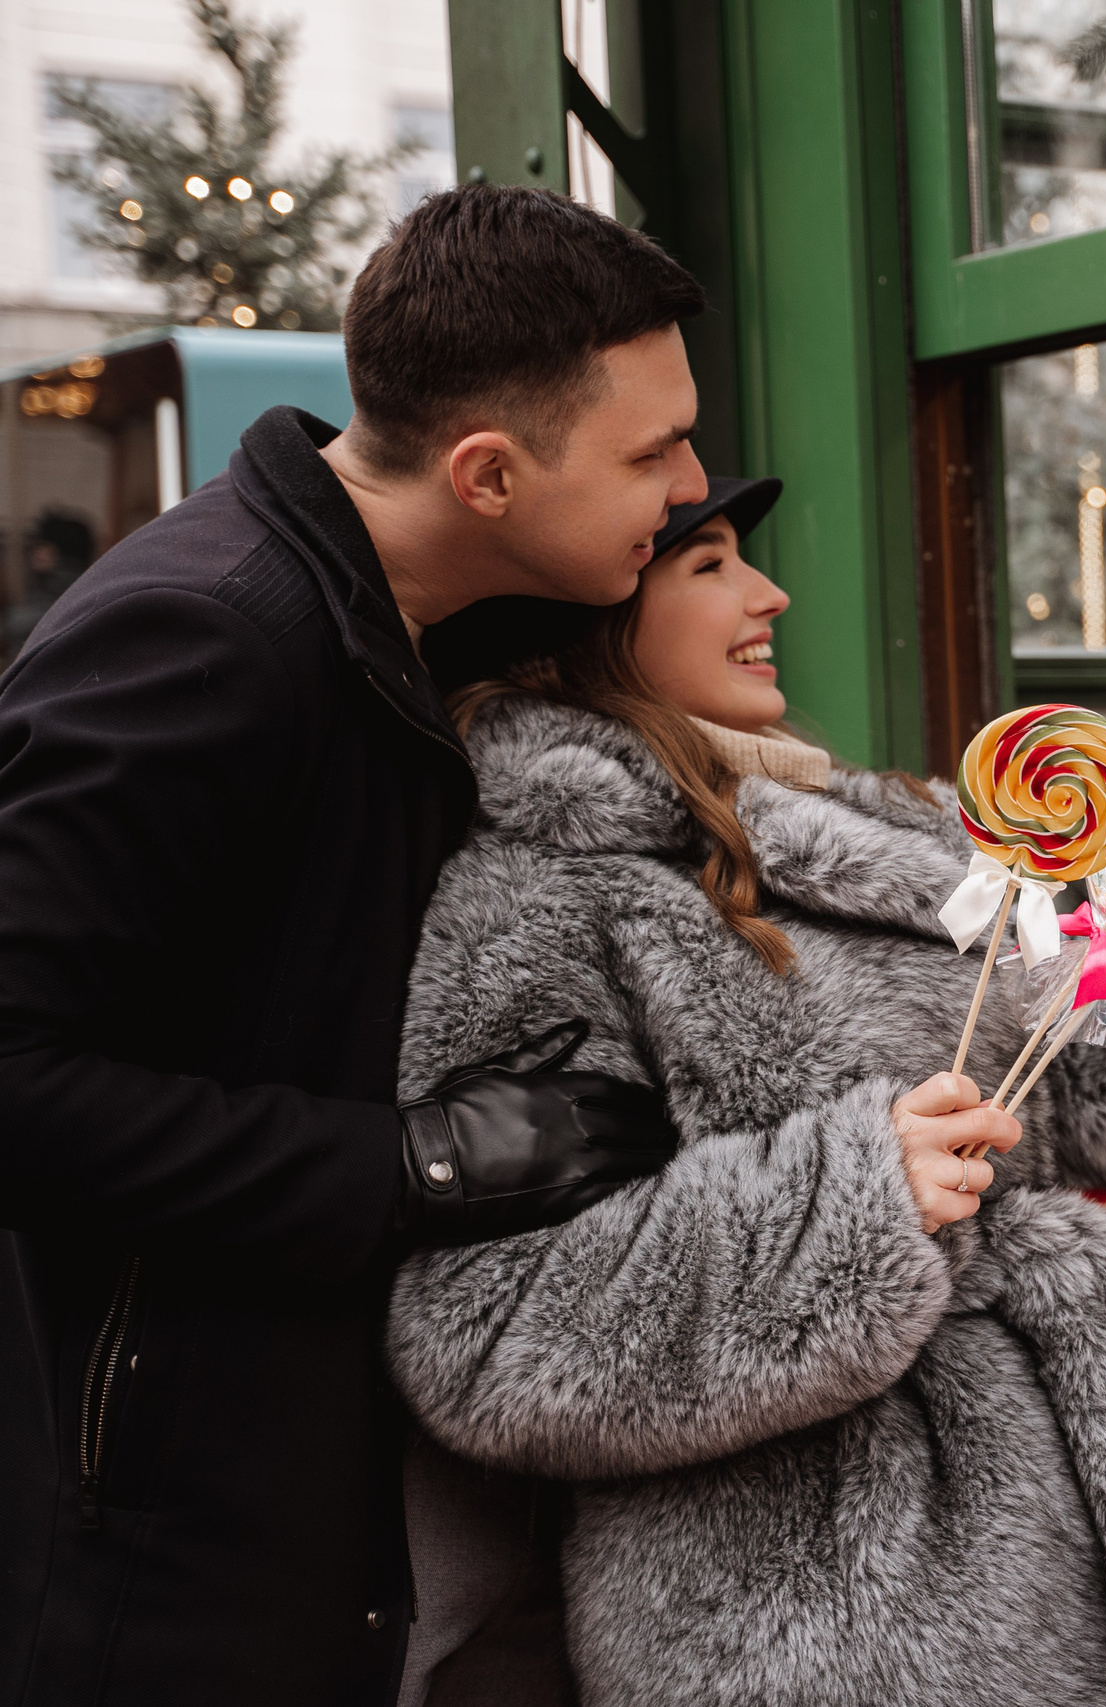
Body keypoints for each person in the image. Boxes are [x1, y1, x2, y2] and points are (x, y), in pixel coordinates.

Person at [389, 482, 1106, 1706]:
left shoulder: (840, 834)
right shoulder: (541, 900)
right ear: (585, 620)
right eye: (708, 566)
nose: (770, 595)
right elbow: (495, 1334)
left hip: (1045, 1557)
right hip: (810, 1620)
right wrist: (857, 1197)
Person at [0, 186, 711, 1706]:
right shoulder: (208, 632)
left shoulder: (410, 619)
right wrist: (415, 1162)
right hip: (177, 1560)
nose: (692, 483)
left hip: (361, 1531)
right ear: (489, 472)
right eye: (653, 451)